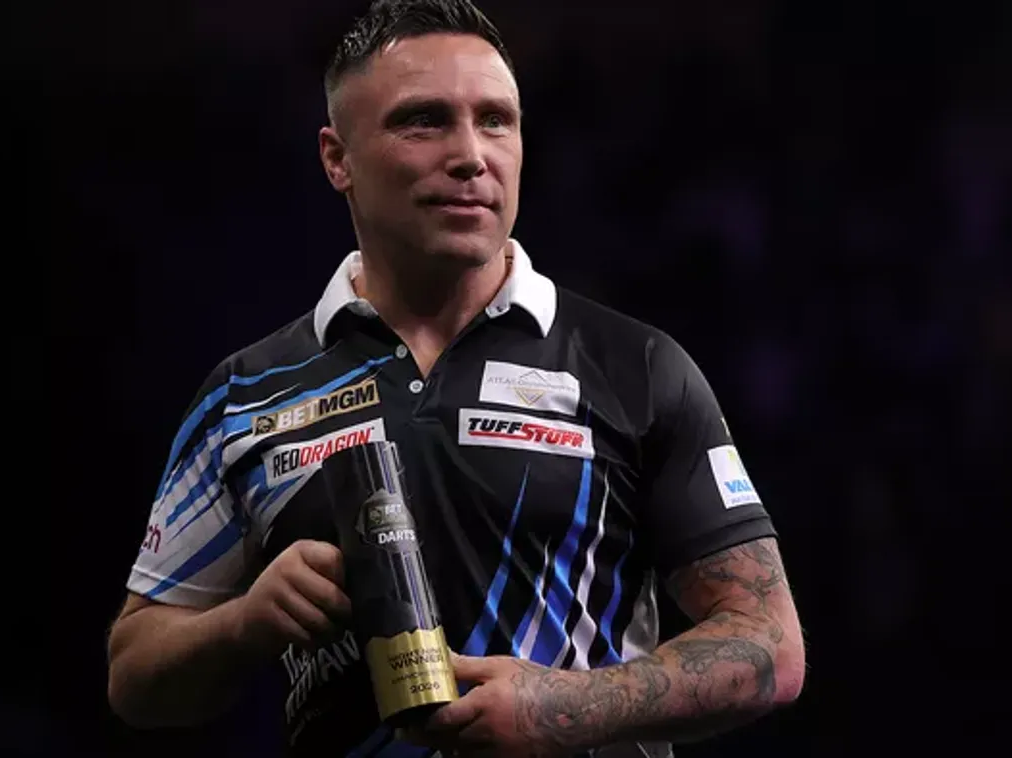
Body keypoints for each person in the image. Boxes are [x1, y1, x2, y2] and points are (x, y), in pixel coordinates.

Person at [106, 1, 805, 755]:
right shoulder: (246, 393)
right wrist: (245, 623)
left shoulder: (635, 367)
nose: (471, 154)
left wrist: (567, 704)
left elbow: (768, 644)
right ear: (337, 159)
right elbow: (134, 673)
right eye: (424, 121)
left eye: (496, 121)